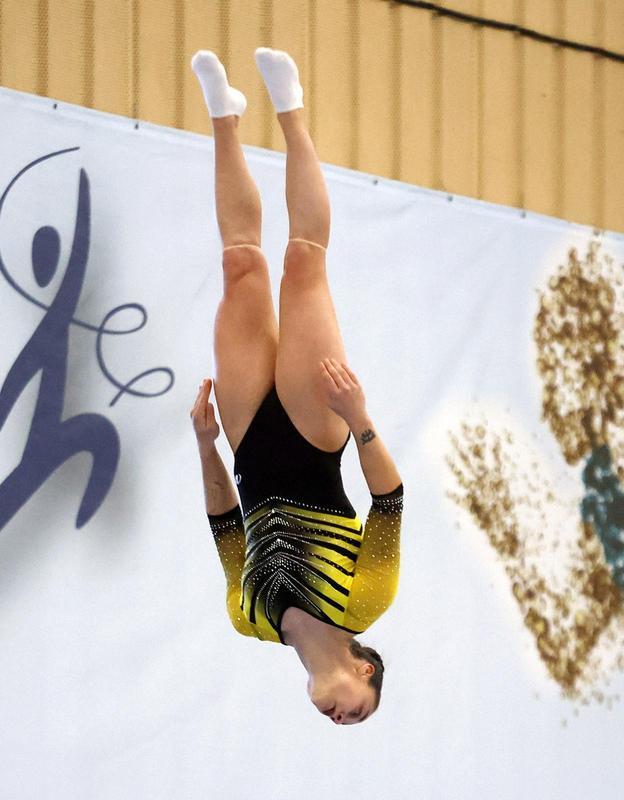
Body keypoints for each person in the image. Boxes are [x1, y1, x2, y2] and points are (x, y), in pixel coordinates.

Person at [188, 47, 404, 726]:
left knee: (241, 267)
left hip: (247, 434)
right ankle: (291, 111)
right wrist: (359, 417)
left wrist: (205, 443)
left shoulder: (247, 617)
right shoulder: (366, 599)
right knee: (302, 262)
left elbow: (225, 521)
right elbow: (390, 498)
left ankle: (224, 116)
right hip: (319, 430)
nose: (344, 720)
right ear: (365, 671)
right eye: (361, 712)